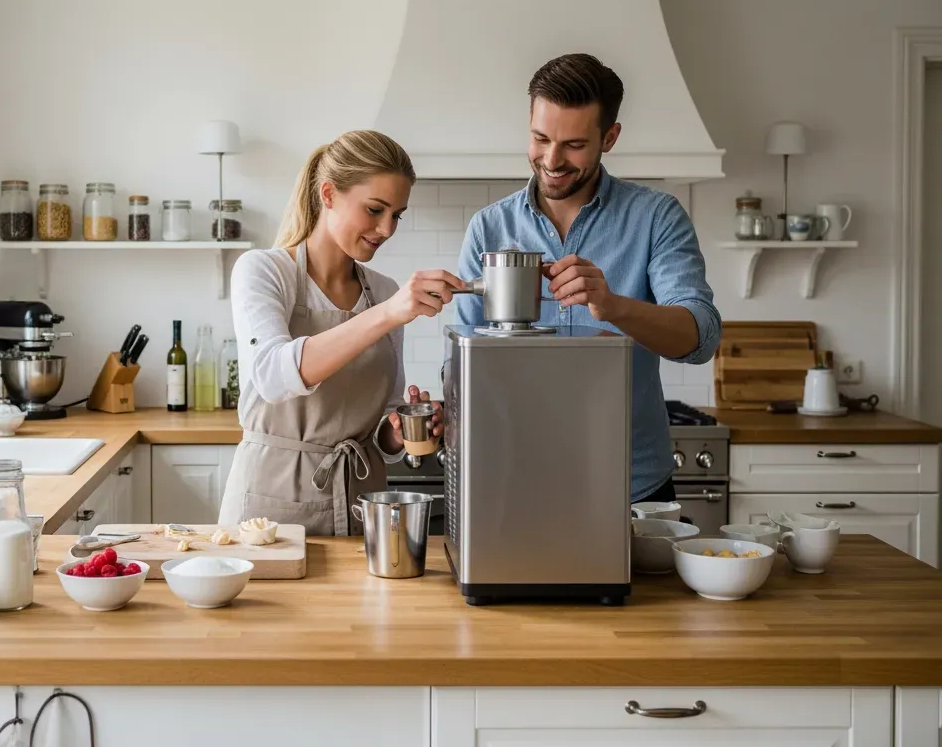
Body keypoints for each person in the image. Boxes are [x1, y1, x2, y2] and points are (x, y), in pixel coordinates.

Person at [456, 53, 722, 504]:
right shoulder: (488, 228)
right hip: (514, 481)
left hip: (631, 486)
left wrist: (613, 305)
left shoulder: (656, 217)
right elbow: (462, 359)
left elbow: (701, 338)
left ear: (610, 137)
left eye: (574, 145)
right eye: (540, 138)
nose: (552, 160)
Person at [218, 130, 465, 535]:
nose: (387, 229)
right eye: (374, 209)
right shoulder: (263, 270)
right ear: (328, 194)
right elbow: (273, 376)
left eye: (397, 215)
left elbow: (381, 425)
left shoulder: (383, 292)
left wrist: (400, 429)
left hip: (359, 505)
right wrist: (387, 314)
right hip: (268, 510)